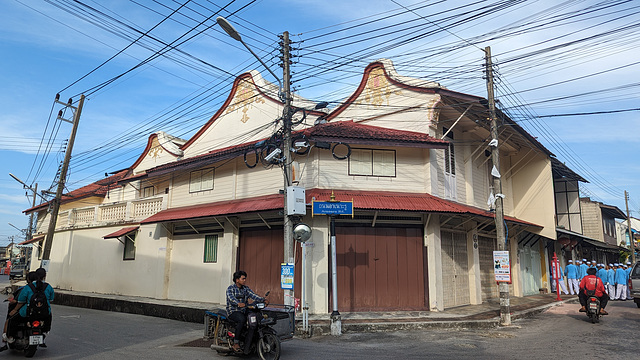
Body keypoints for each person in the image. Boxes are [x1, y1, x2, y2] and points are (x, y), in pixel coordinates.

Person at [5, 268, 54, 347]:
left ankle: (11, 337)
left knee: (12, 319)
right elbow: (51, 299)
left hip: (28, 312)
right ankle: (45, 331)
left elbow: (21, 301)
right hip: (44, 313)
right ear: (45, 276)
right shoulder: (49, 287)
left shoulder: (28, 287)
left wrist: (14, 310)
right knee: (49, 315)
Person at [226, 270, 266, 354]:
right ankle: (236, 342)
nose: (244, 280)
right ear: (237, 280)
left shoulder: (246, 289)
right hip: (233, 311)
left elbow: (253, 295)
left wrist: (263, 300)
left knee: (254, 318)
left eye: (245, 279)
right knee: (242, 319)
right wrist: (238, 303)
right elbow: (231, 298)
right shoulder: (230, 289)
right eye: (243, 279)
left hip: (244, 310)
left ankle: (249, 343)